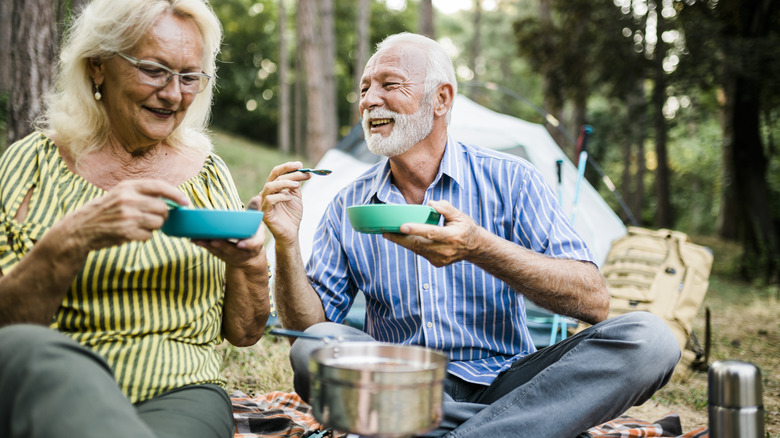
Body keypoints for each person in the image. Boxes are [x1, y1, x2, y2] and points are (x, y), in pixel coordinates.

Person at [260, 32, 681, 437]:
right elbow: (308, 326)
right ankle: (513, 427)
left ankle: (449, 430)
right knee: (315, 347)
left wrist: (480, 247)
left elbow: (593, 300)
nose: (369, 100)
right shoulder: (348, 204)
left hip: (510, 381)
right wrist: (286, 241)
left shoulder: (511, 180)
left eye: (389, 85)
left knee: (651, 340)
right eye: (365, 88)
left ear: (440, 99)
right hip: (403, 383)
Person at [0, 1, 270, 437]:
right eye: (154, 70)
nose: (174, 94)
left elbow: (243, 332)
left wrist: (251, 264)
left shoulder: (209, 173)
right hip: (52, 379)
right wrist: (74, 236)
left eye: (189, 77)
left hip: (180, 390)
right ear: (97, 67)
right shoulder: (29, 165)